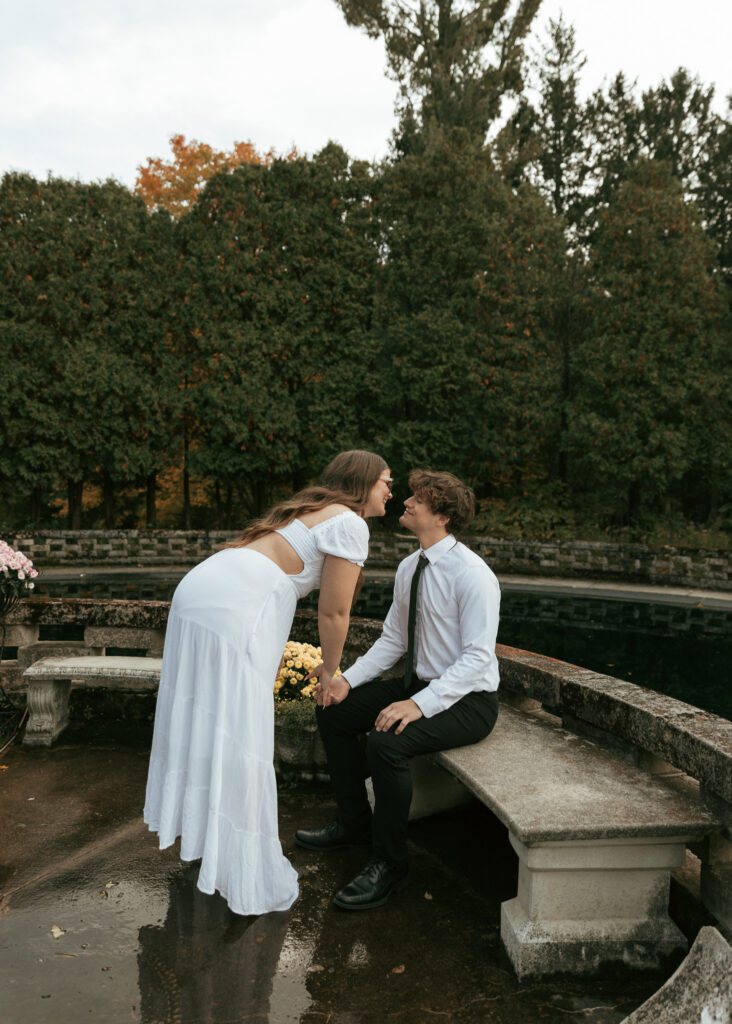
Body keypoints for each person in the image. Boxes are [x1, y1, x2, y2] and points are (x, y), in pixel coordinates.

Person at [144, 450, 392, 917]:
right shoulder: (350, 522)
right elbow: (335, 612)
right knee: (240, 728)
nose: (390, 491)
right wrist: (331, 669)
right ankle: (237, 861)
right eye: (385, 481)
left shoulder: (312, 510)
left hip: (204, 588)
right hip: (239, 603)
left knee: (209, 717)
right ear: (362, 484)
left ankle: (207, 842)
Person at [295, 469, 500, 910]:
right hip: (420, 686)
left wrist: (418, 704)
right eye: (407, 496)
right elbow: (393, 641)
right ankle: (353, 824)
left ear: (442, 516)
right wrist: (345, 679)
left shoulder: (474, 575)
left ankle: (389, 864)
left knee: (386, 744)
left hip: (469, 702)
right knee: (333, 710)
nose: (405, 503)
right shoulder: (411, 567)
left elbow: (478, 659)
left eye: (418, 500)